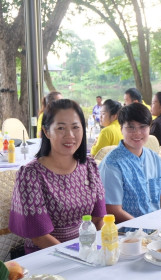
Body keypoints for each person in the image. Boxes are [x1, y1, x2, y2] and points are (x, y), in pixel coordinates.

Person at [9, 99, 106, 254]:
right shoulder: (31, 175)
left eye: (75, 127)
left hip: (87, 250)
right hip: (47, 255)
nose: (70, 135)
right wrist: (75, 255)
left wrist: (104, 247)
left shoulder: (89, 166)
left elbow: (98, 219)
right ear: (46, 131)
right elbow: (39, 236)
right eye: (61, 128)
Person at [99, 103, 161, 223]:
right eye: (131, 127)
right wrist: (144, 227)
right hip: (128, 232)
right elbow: (112, 210)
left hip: (156, 227)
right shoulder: (112, 164)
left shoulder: (154, 158)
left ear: (150, 128)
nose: (137, 133)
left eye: (143, 127)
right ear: (121, 129)